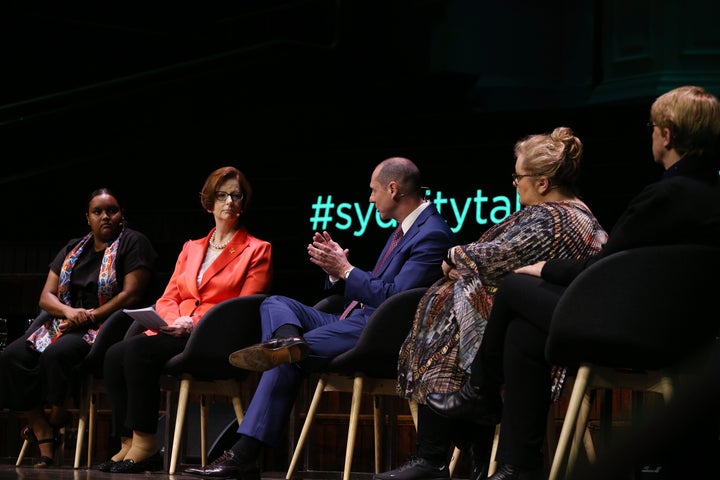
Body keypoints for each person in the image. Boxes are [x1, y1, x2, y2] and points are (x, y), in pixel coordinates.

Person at [425, 85, 720, 480]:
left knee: (513, 286)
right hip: (690, 337)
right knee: (523, 334)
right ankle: (517, 466)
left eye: (652, 127)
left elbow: (604, 266)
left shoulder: (664, 197)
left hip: (636, 332)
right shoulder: (710, 197)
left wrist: (544, 268)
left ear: (666, 135)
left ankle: (480, 393)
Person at [183, 156, 456, 480]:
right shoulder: (404, 229)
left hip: (378, 333)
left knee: (286, 358)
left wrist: (347, 270)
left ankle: (243, 455)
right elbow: (382, 285)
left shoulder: (431, 233)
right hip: (353, 320)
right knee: (275, 303)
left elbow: (394, 298)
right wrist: (338, 273)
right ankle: (287, 340)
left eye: (373, 191)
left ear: (393, 189)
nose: (370, 198)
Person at [374, 127, 608, 480]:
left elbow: (499, 258)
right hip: (525, 329)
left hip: (543, 339)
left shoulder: (556, 218)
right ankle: (454, 451)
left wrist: (454, 255)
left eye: (518, 177)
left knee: (452, 307)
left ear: (542, 183)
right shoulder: (560, 212)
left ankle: (436, 454)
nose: (516, 184)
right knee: (452, 301)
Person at [98, 166, 273, 474]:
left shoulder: (257, 250)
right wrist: (174, 320)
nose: (229, 201)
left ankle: (146, 444)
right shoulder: (191, 248)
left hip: (216, 339)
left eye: (236, 195)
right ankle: (127, 441)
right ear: (209, 201)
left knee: (138, 352)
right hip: (176, 332)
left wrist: (194, 323)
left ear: (243, 203)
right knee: (114, 354)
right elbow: (168, 297)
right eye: (222, 195)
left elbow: (244, 307)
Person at [0, 187, 158, 468]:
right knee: (11, 358)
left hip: (105, 325)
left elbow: (131, 295)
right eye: (98, 212)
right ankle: (43, 428)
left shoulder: (133, 243)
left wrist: (90, 315)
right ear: (88, 218)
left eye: (112, 210)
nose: (106, 216)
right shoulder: (74, 248)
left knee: (56, 354)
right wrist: (70, 312)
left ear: (122, 215)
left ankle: (59, 414)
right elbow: (46, 296)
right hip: (66, 321)